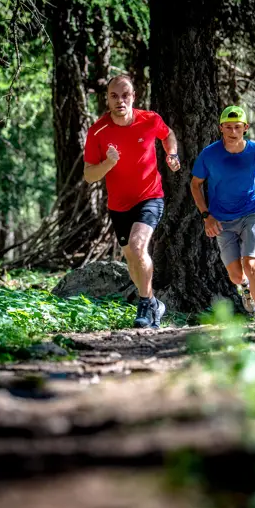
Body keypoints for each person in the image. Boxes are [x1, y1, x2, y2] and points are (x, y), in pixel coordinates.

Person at [83, 75, 181, 329]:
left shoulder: (149, 120)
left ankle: (146, 304)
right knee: (131, 258)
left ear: (133, 96)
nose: (120, 101)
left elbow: (167, 134)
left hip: (150, 196)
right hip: (119, 205)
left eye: (125, 95)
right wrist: (108, 163)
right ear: (107, 98)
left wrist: (171, 154)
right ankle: (155, 304)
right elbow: (89, 175)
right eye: (114, 96)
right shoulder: (98, 131)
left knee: (138, 247)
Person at [189, 105, 255, 322]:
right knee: (235, 275)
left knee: (251, 265)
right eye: (228, 127)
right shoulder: (209, 154)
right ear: (221, 128)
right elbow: (195, 185)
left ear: (246, 128)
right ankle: (246, 288)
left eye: (238, 127)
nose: (233, 132)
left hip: (251, 212)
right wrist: (207, 216)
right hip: (222, 219)